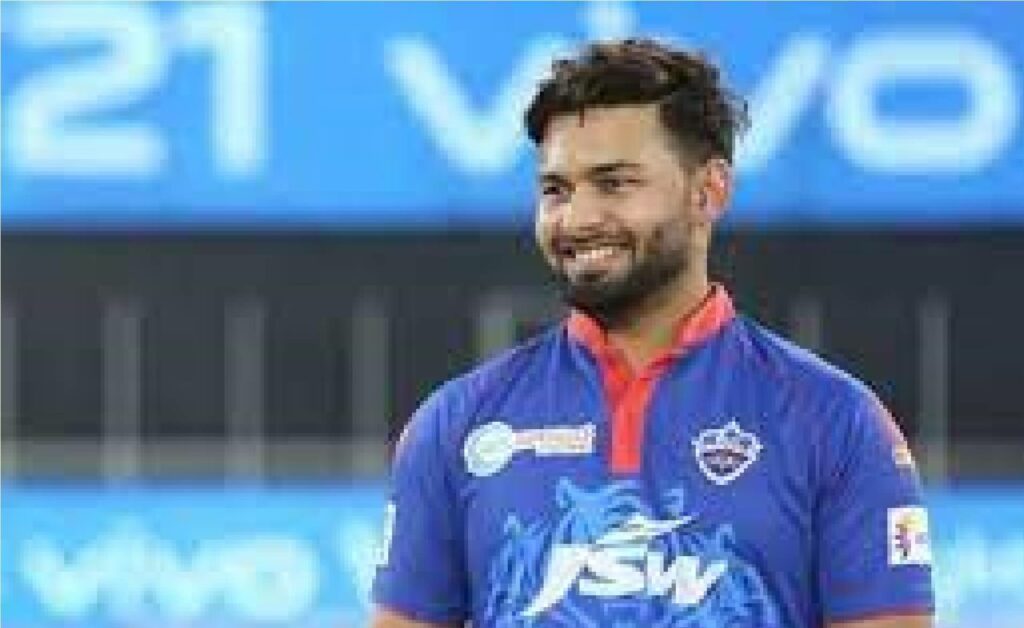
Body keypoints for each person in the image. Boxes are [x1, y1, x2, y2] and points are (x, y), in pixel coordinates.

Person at [371, 38, 934, 628]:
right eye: (556, 189)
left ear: (708, 192)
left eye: (614, 183)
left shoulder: (836, 422)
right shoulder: (455, 424)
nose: (578, 218)